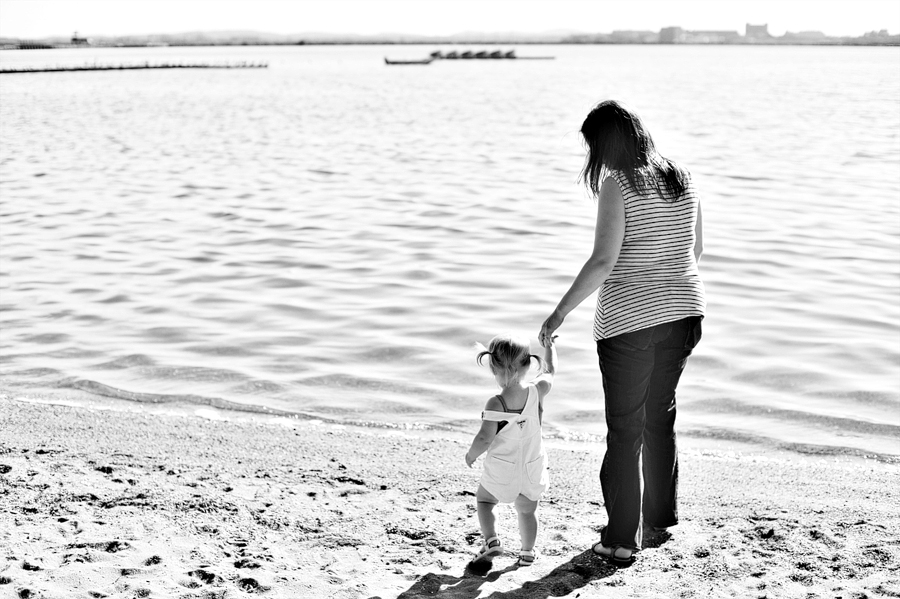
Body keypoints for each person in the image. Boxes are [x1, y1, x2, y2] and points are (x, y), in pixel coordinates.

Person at [539, 100, 705, 566]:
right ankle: (660, 517)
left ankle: (619, 539)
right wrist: (667, 290)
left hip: (630, 325)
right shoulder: (682, 176)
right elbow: (696, 249)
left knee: (625, 429)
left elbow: (602, 261)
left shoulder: (618, 182)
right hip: (686, 313)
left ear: (604, 144)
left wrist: (558, 315)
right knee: (660, 416)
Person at [465, 334, 557, 567]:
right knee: (527, 511)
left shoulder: (496, 403)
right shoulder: (538, 390)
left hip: (502, 466)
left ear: (493, 368)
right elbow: (551, 371)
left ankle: (492, 540)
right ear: (528, 364)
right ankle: (527, 553)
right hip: (531, 464)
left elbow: (485, 437)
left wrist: (472, 455)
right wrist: (550, 347)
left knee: (485, 501)